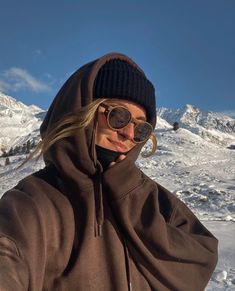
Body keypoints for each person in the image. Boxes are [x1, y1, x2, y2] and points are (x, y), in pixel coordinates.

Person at [0, 52, 218, 291]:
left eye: (141, 127)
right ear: (84, 110)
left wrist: (129, 194)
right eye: (118, 116)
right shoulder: (31, 204)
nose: (128, 133)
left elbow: (200, 258)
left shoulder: (148, 196)